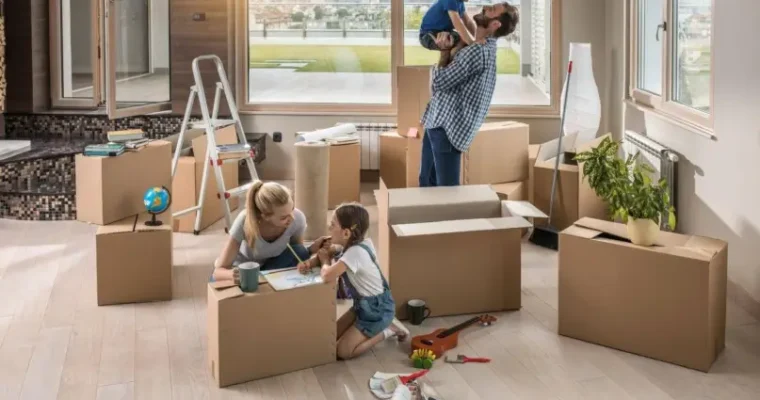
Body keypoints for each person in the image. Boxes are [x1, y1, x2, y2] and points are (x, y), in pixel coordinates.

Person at [419, 3, 520, 187]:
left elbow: (437, 83)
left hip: (446, 129)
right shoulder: (479, 47)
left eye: (492, 10)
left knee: (446, 193)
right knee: (427, 183)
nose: (485, 7)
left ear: (495, 24)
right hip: (437, 122)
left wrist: (444, 51)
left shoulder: (476, 51)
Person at [297, 203, 409, 360]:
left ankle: (388, 330)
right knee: (331, 336)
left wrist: (324, 261)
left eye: (332, 225)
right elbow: (330, 253)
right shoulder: (356, 245)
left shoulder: (355, 253)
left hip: (377, 311)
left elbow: (327, 275)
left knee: (342, 352)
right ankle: (379, 328)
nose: (329, 229)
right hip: (363, 306)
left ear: (346, 233)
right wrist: (310, 263)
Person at [211, 180, 330, 282]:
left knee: (301, 251)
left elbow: (296, 252)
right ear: (265, 216)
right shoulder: (245, 221)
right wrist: (232, 275)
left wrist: (311, 249)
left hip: (270, 267)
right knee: (216, 283)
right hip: (243, 270)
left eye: (292, 209)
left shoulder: (298, 218)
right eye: (283, 217)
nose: (292, 218)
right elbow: (218, 272)